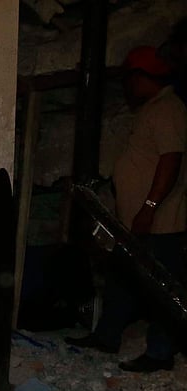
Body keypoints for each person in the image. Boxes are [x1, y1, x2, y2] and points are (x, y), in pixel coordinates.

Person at [65, 46, 187, 371]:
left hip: (160, 221)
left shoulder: (168, 110)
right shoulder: (154, 109)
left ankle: (160, 353)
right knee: (124, 277)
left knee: (161, 286)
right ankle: (107, 335)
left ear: (142, 77)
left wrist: (149, 206)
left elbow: (170, 160)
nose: (127, 87)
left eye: (130, 79)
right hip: (136, 221)